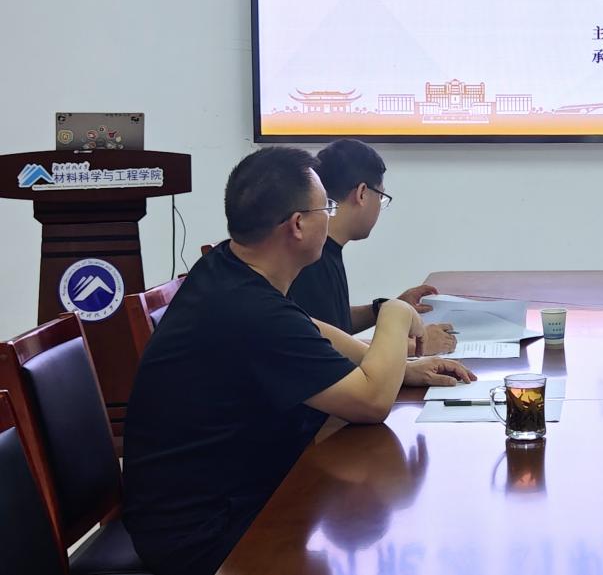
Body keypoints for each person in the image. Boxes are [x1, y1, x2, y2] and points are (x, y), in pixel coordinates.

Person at [123, 147, 475, 575]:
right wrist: (395, 313)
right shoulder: (249, 312)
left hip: (227, 498)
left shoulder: (227, 267)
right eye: (326, 208)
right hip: (207, 534)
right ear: (297, 225)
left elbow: (306, 325)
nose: (331, 218)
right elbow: (371, 404)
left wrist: (396, 367)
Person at [288, 138, 454, 354]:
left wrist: (388, 309)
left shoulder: (327, 249)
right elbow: (324, 348)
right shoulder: (312, 259)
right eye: (381, 197)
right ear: (362, 193)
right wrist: (416, 346)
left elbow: (333, 324)